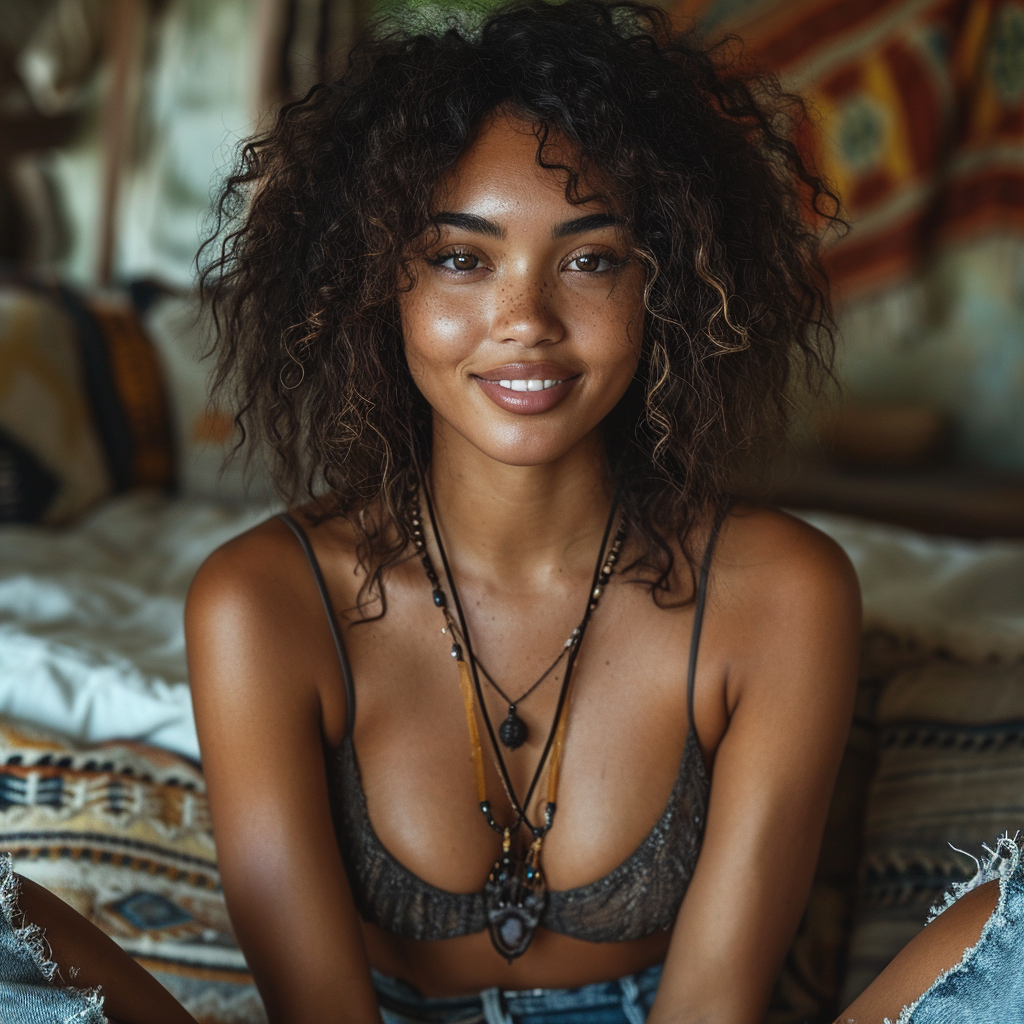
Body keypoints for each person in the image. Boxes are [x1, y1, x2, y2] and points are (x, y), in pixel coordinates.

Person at [1, 3, 1018, 1023]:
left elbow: (714, 1002)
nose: (525, 321)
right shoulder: (263, 600)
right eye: (460, 257)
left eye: (590, 258)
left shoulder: (779, 592)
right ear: (375, 285)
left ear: (666, 287)